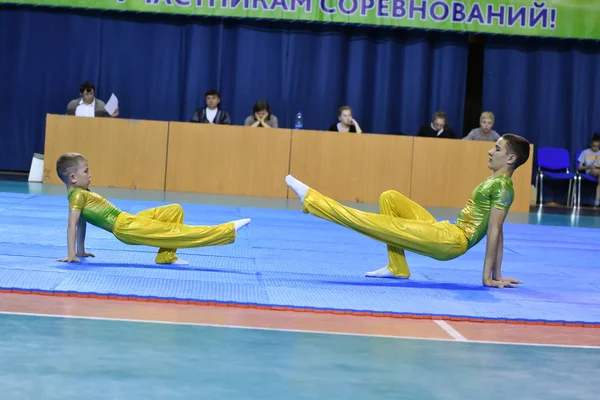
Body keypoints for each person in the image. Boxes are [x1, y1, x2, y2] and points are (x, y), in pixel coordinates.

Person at [285, 134, 530, 289]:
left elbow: (495, 230)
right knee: (390, 198)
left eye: (497, 149)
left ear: (510, 159)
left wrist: (488, 278)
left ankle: (312, 200)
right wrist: (497, 273)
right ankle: (398, 267)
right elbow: (497, 229)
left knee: (370, 222)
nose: (490, 151)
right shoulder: (495, 180)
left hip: (451, 242)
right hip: (445, 229)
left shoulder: (503, 187)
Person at [55, 153, 250, 265]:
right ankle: (226, 231)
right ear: (73, 178)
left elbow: (82, 223)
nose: (90, 174)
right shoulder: (78, 195)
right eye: (86, 171)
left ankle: (166, 255)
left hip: (127, 219)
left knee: (174, 210)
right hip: (125, 228)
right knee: (174, 233)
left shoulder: (80, 193)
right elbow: (72, 225)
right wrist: (72, 255)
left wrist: (81, 250)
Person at [577, 133, 600, 207]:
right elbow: (579, 167)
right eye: (594, 146)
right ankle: (597, 200)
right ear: (590, 144)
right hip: (590, 171)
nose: (595, 148)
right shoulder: (585, 152)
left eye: (597, 146)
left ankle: (597, 199)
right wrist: (588, 167)